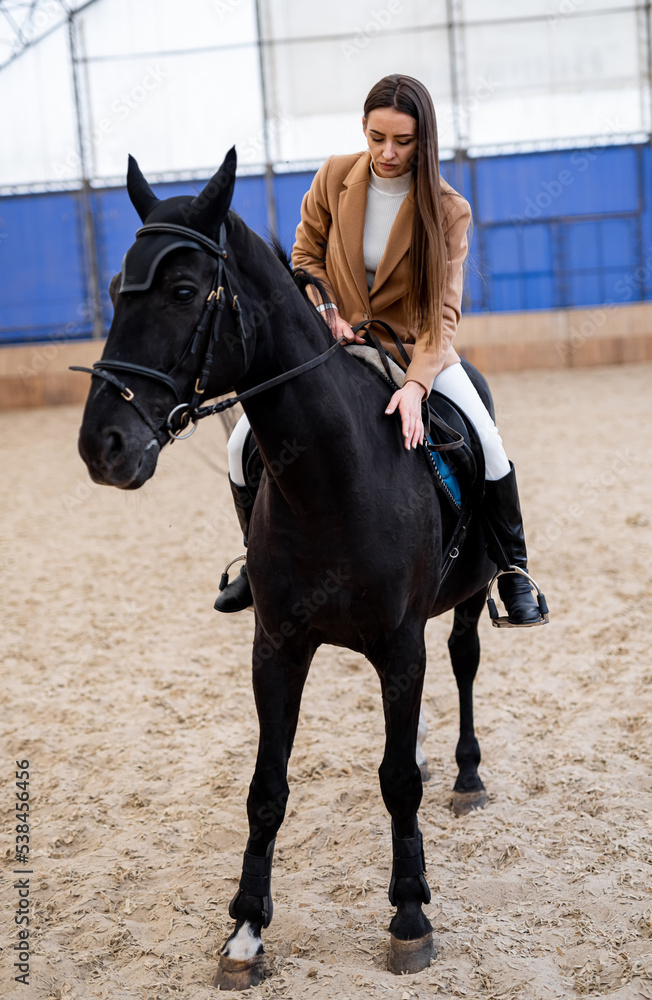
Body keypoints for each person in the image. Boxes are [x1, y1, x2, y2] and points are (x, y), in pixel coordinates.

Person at [214, 73, 545, 627]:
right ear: (363, 130)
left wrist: (416, 385)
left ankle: (513, 570)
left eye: (403, 141)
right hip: (333, 344)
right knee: (240, 445)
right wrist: (326, 312)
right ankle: (256, 560)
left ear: (424, 140)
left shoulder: (448, 209)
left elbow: (443, 314)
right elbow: (305, 256)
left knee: (488, 444)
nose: (387, 153)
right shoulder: (333, 176)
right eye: (376, 137)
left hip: (414, 348)